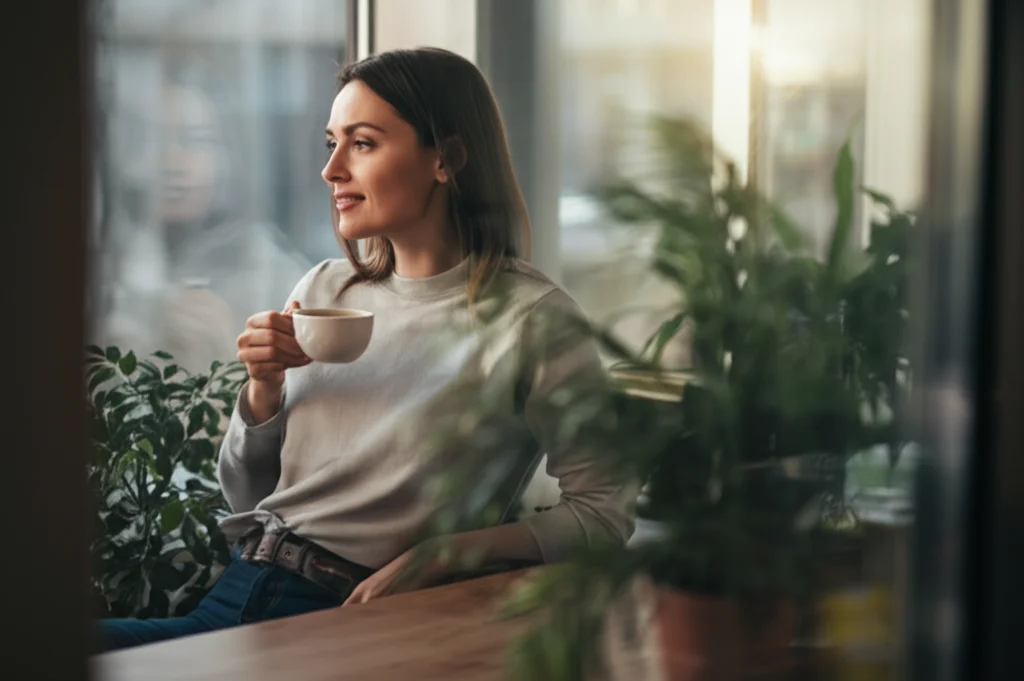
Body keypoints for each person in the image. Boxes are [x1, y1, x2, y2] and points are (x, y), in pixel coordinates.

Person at [97, 47, 636, 652]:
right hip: (244, 586)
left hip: (355, 615)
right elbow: (250, 499)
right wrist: (262, 392)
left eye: (362, 143)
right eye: (331, 142)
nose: (331, 169)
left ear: (446, 158)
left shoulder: (532, 320)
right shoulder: (326, 288)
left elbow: (602, 512)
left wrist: (443, 556)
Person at [97, 67, 309, 374]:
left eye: (195, 141)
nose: (172, 161)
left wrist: (230, 354)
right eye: (153, 142)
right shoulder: (107, 268)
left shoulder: (276, 277)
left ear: (229, 158)